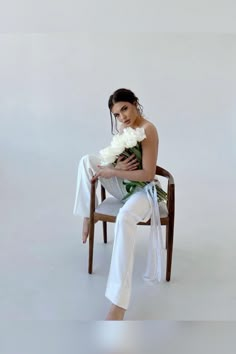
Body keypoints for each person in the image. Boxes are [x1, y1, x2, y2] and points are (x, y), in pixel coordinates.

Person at [73, 88, 161, 320]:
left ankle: (118, 304)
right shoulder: (123, 129)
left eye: (125, 109)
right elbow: (110, 162)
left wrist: (113, 171)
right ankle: (87, 214)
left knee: (124, 218)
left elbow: (148, 174)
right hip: (123, 184)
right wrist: (116, 168)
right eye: (116, 114)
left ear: (135, 104)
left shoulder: (148, 130)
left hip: (143, 191)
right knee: (86, 161)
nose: (122, 117)